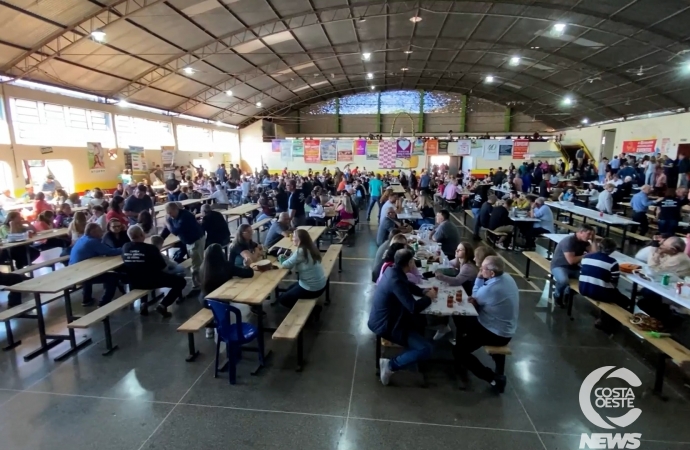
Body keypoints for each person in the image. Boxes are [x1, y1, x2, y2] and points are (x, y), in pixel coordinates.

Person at [369, 248, 437, 386]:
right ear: (410, 262)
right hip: (387, 325)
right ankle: (390, 365)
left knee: (421, 323)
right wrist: (429, 298)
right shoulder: (396, 280)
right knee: (426, 349)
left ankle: (411, 354)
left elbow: (408, 285)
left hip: (391, 318)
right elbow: (413, 307)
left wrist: (422, 291)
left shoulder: (392, 271)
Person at [453, 256, 518, 392]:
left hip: (495, 332)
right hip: (505, 327)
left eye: (482, 269)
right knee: (462, 320)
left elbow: (474, 296)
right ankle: (462, 338)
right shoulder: (507, 278)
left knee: (459, 350)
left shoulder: (491, 289)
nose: (480, 270)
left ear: (492, 273)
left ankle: (493, 378)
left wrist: (479, 278)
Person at [121, 225, 186, 317]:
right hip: (152, 281)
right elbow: (163, 267)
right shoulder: (150, 248)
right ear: (141, 235)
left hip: (133, 282)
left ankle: (144, 303)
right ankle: (163, 305)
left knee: (140, 271)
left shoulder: (125, 247)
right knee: (181, 281)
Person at [199, 243, 255, 338]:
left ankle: (209, 328)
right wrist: (248, 266)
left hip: (204, 300)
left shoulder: (202, 267)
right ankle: (224, 326)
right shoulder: (225, 266)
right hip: (220, 300)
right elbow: (248, 273)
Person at [578, 238, 632, 333]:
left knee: (608, 291)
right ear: (612, 250)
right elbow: (614, 282)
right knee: (625, 301)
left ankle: (603, 317)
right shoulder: (612, 262)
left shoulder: (586, 257)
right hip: (600, 293)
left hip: (583, 288)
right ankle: (607, 322)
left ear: (599, 246)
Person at [69, 223, 122, 306]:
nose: (102, 232)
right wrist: (126, 248)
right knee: (112, 278)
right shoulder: (92, 242)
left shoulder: (83, 238)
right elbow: (111, 252)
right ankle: (103, 303)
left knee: (93, 274)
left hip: (75, 270)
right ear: (93, 232)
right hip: (82, 273)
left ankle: (86, 299)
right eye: (100, 231)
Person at [276, 229, 327, 316]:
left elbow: (286, 265)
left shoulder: (301, 251)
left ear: (300, 239)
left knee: (283, 300)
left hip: (312, 288)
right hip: (320, 284)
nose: (292, 239)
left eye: (294, 237)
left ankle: (312, 311)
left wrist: (281, 258)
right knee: (288, 289)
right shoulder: (310, 247)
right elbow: (295, 259)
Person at [550, 224, 595, 306]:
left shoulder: (584, 241)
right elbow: (571, 261)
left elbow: (594, 254)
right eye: (589, 234)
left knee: (588, 278)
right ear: (581, 232)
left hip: (574, 268)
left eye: (592, 235)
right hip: (559, 266)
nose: (590, 236)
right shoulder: (569, 241)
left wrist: (593, 240)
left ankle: (568, 292)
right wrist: (585, 256)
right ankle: (557, 295)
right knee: (563, 280)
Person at [165, 202, 206, 288]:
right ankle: (199, 282)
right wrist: (160, 240)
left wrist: (167, 223)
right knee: (196, 261)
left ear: (176, 209)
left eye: (170, 212)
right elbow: (168, 229)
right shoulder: (172, 216)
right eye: (168, 213)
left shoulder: (186, 216)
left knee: (196, 263)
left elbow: (176, 231)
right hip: (188, 241)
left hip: (196, 240)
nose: (170, 215)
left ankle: (198, 285)